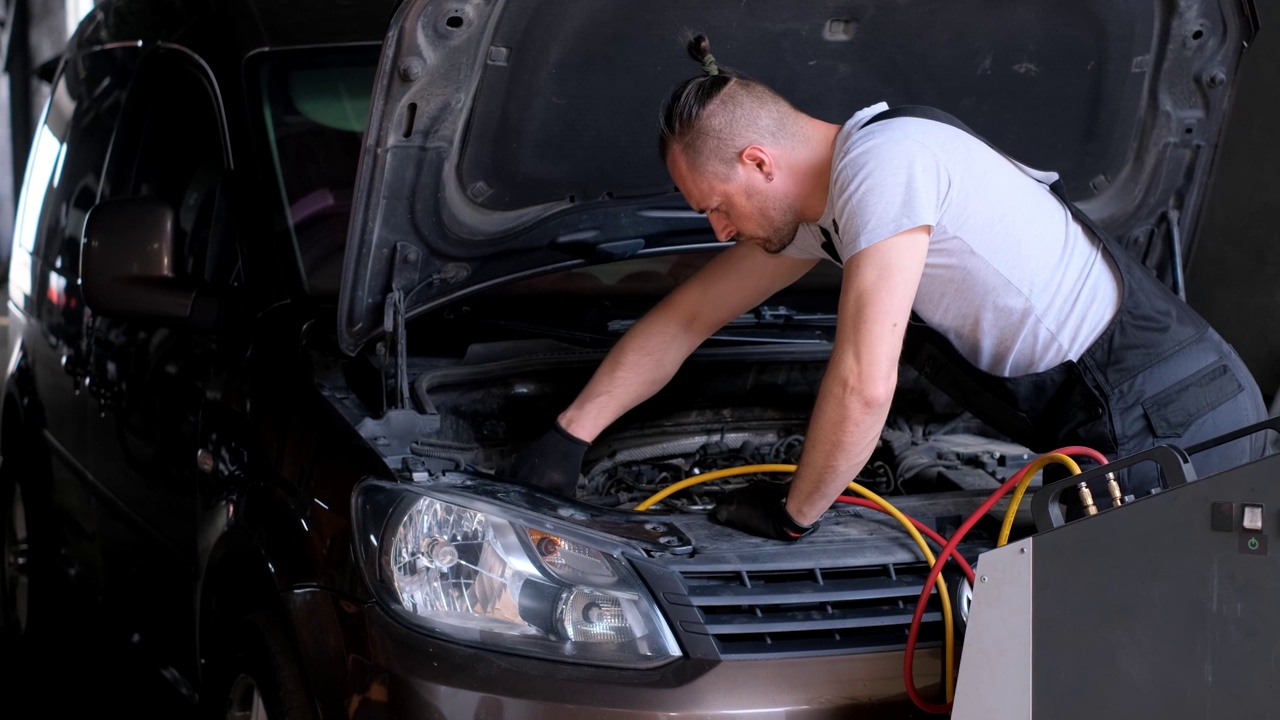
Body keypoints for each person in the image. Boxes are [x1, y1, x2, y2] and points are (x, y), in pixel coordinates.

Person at [514, 34, 1267, 540]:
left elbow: (865, 383)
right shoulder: (829, 211)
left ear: (758, 162)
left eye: (716, 207)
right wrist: (567, 435)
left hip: (1173, 421)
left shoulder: (885, 166)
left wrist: (796, 512)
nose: (717, 231)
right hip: (1113, 420)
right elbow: (688, 317)